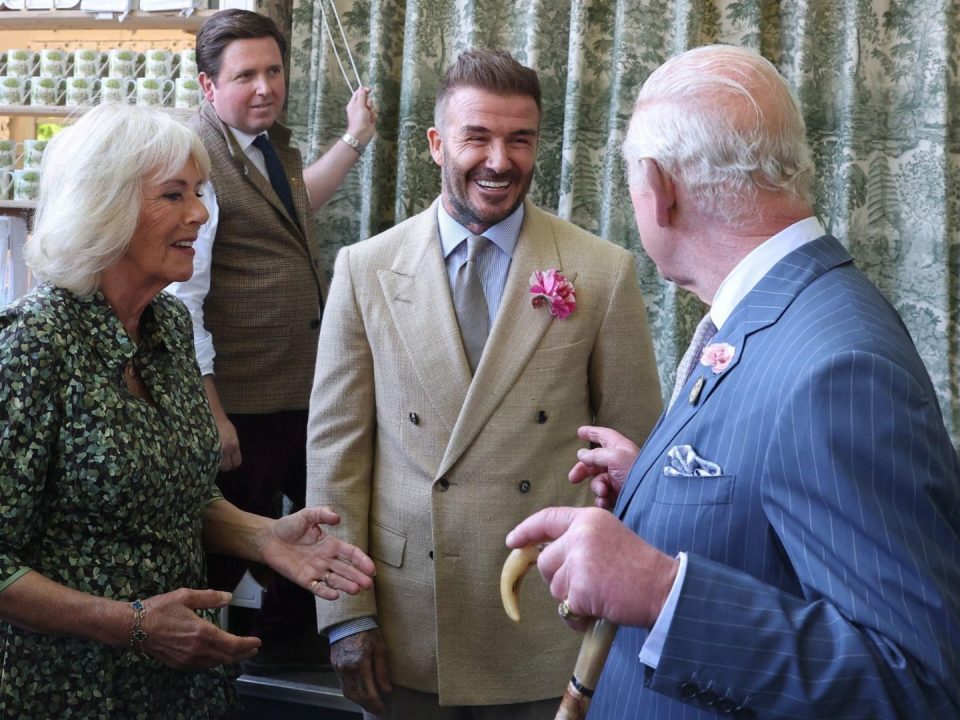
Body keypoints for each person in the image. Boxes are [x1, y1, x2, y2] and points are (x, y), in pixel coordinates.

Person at [507, 44, 960, 719]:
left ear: (658, 187)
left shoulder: (838, 367)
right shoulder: (780, 307)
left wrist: (660, 591)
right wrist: (664, 493)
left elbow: (916, 685)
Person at [306, 48, 662, 719]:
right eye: (477, 138)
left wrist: (622, 610)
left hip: (547, 615)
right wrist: (345, 614)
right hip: (408, 621)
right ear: (437, 144)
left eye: (519, 140)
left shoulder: (601, 271)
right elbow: (336, 458)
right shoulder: (365, 269)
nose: (500, 161)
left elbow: (634, 456)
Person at [0, 103, 376, 718]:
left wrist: (264, 536)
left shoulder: (169, 326)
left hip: (180, 685)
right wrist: (132, 624)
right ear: (103, 206)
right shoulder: (34, 343)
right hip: (69, 687)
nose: (200, 212)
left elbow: (180, 493)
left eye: (199, 192)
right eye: (174, 195)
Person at [168, 8, 378, 673]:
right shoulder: (197, 161)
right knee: (232, 541)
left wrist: (354, 139)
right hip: (243, 398)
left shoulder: (265, 145)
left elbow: (290, 209)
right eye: (245, 76)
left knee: (322, 514)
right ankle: (185, 668)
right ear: (208, 86)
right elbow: (183, 301)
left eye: (274, 71)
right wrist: (212, 409)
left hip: (299, 387)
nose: (265, 87)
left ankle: (283, 644)